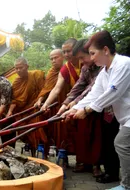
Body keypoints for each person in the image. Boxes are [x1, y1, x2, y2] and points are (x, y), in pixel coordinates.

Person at [63, 31, 129, 190]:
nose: (91, 58)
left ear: (105, 50)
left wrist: (86, 110)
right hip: (125, 118)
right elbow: (94, 94)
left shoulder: (124, 64)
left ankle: (126, 185)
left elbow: (113, 91)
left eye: (93, 53)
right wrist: (73, 109)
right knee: (122, 145)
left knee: (120, 144)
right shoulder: (105, 72)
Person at [57, 39, 102, 176]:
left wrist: (75, 103)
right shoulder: (85, 68)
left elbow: (92, 88)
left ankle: (96, 165)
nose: (81, 61)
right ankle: (84, 163)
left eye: (83, 57)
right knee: (82, 135)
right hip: (82, 106)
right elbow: (79, 86)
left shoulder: (101, 66)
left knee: (96, 136)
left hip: (98, 105)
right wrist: (65, 104)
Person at [41, 38, 81, 154]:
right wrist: (46, 104)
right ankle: (82, 162)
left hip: (88, 101)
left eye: (69, 51)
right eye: (65, 52)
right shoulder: (66, 68)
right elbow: (56, 88)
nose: (67, 54)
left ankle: (95, 165)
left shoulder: (85, 62)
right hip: (72, 102)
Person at [6, 57, 45, 151]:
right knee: (25, 132)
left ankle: (40, 152)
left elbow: (44, 91)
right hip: (23, 111)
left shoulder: (36, 75)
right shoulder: (16, 81)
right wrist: (10, 111)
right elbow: (15, 99)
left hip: (36, 108)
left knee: (37, 130)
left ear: (27, 66)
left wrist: (39, 101)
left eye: (21, 67)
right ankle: (31, 149)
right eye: (16, 68)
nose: (18, 70)